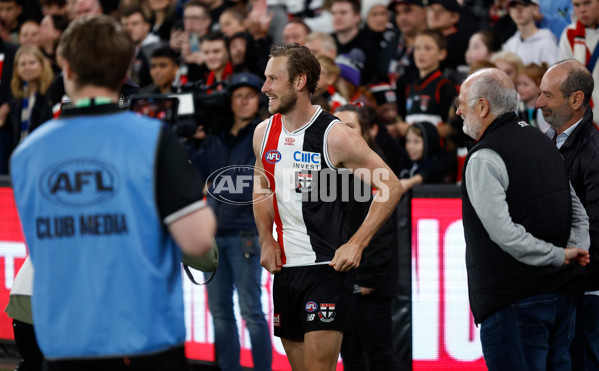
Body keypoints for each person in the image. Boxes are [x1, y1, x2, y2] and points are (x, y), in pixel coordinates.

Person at [9, 15, 216, 370]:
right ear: (124, 71)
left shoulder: (28, 152)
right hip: (144, 331)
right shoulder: (152, 138)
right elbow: (198, 244)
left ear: (66, 68)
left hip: (66, 335)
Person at [252, 43, 402, 370]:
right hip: (285, 271)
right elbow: (261, 186)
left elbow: (390, 186)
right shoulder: (263, 133)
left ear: (299, 81)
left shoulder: (335, 136)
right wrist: (266, 238)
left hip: (325, 270)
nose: (264, 88)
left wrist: (356, 244)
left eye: (273, 79)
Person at [458, 67, 590, 371]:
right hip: (561, 298)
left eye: (463, 103)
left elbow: (503, 233)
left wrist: (559, 256)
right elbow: (579, 212)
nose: (458, 111)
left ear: (483, 106)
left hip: (513, 301)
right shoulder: (544, 141)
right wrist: (574, 253)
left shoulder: (484, 155)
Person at [194, 72, 271, 371]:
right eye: (238, 95)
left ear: (258, 100)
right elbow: (196, 177)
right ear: (230, 101)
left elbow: (247, 183)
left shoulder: (263, 134)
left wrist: (212, 184)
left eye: (250, 95)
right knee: (220, 312)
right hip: (214, 234)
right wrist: (189, 139)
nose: (243, 100)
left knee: (251, 311)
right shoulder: (215, 137)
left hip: (245, 232)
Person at [536, 59, 599, 371]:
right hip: (560, 285)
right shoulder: (545, 141)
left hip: (585, 292)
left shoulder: (594, 151)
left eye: (548, 95)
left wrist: (575, 281)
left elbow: (597, 228)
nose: (539, 102)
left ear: (576, 99)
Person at [334, 104, 401, 371]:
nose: (342, 132)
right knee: (351, 356)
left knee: (381, 355)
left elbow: (383, 228)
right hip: (344, 277)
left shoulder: (374, 164)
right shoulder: (339, 167)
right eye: (337, 126)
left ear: (366, 132)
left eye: (349, 126)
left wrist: (368, 277)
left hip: (368, 281)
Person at [558, 0, 599, 126]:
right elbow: (565, 79)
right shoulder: (569, 34)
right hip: (584, 117)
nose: (582, 9)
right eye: (577, 5)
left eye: (587, 3)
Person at [503, 0, 558, 66]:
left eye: (524, 5)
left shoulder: (547, 43)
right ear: (510, 11)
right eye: (514, 6)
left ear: (535, 9)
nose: (518, 10)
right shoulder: (509, 45)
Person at [515, 62, 548, 131]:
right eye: (519, 84)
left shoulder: (544, 109)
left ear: (539, 87)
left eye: (525, 84)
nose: (520, 88)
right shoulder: (516, 107)